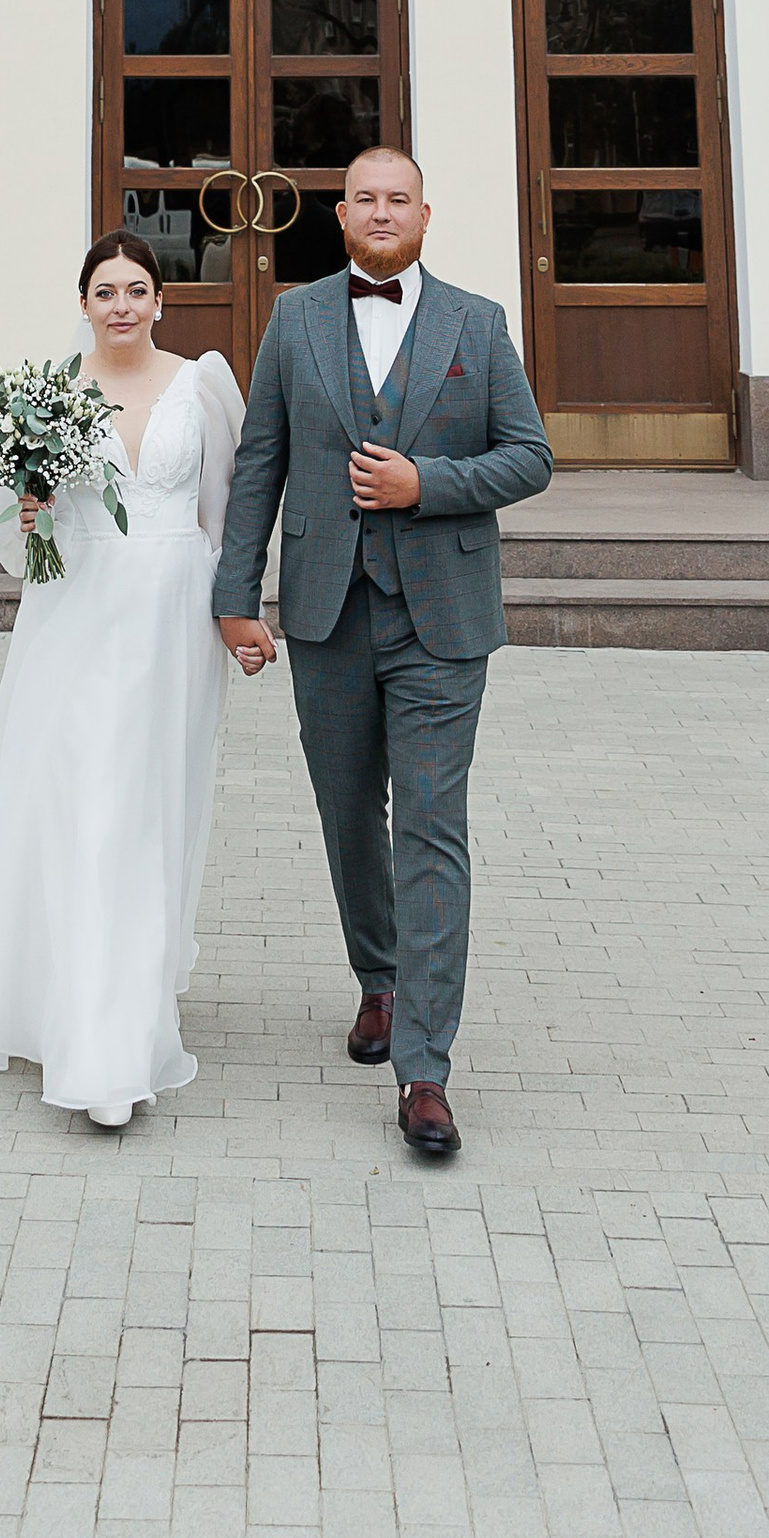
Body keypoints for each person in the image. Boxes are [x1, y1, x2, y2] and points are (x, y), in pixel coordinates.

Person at [212, 145, 553, 1160]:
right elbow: (260, 462)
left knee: (433, 827)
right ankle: (380, 977)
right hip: (327, 611)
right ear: (340, 214)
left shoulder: (477, 323)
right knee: (348, 810)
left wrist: (426, 484)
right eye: (363, 197)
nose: (381, 211)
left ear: (425, 215)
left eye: (398, 198)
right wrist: (234, 598)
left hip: (441, 617)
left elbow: (529, 456)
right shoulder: (295, 319)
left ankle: (425, 1070)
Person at [0, 232, 246, 1129]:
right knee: (86, 807)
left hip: (175, 621)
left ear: (160, 301)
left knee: (152, 810)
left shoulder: (203, 385)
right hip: (80, 615)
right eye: (105, 291)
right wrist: (30, 515)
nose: (121, 305)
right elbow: (13, 521)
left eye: (137, 289)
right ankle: (99, 1047)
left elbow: (227, 511)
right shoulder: (49, 395)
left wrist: (241, 613)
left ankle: (130, 998)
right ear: (83, 304)